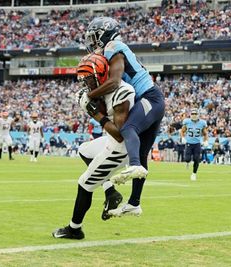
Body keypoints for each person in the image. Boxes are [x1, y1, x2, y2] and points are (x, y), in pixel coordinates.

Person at [53, 54, 136, 240]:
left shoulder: (122, 92)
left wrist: (95, 114)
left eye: (88, 78)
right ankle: (110, 191)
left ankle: (75, 229)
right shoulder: (106, 89)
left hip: (122, 147)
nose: (86, 83)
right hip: (113, 141)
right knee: (84, 149)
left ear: (100, 74)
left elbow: (120, 135)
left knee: (85, 184)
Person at [82, 17, 165, 189]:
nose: (92, 42)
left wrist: (90, 95)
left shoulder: (113, 48)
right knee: (142, 153)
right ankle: (134, 204)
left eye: (95, 37)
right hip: (151, 98)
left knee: (128, 129)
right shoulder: (114, 49)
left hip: (149, 96)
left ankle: (133, 165)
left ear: (104, 35)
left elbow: (114, 81)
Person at [180, 108, 208, 181]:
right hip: (189, 143)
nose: (194, 115)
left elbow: (205, 133)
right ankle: (187, 162)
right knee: (187, 159)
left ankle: (194, 174)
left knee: (196, 159)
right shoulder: (187, 121)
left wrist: (206, 141)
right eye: (192, 114)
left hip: (197, 144)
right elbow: (182, 131)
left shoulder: (202, 123)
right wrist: (183, 138)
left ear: (198, 114)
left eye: (195, 114)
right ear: (190, 115)